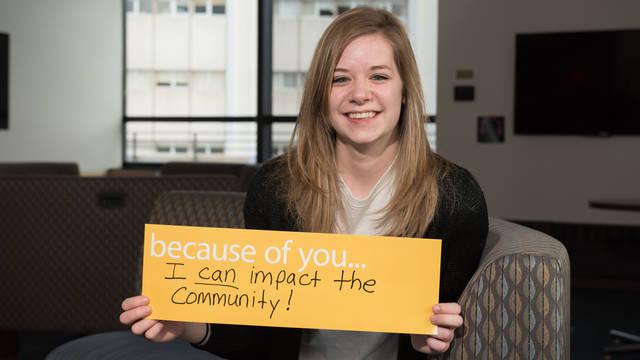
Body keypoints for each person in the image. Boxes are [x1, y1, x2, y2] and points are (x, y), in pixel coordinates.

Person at [120, 6, 487, 359]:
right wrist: (189, 327)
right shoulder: (275, 187)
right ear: (320, 96)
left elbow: (458, 331)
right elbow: (260, 336)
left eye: (379, 76)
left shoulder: (454, 196)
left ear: (405, 91)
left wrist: (433, 343)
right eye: (340, 78)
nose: (359, 94)